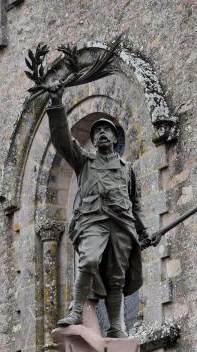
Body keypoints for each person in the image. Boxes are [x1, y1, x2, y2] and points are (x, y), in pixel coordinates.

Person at [46, 82, 156, 338]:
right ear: (93, 140)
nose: (102, 134)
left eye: (107, 130)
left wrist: (145, 232)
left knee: (116, 279)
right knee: (89, 260)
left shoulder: (126, 170)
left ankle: (117, 328)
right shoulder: (84, 161)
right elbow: (62, 140)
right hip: (93, 222)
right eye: (97, 132)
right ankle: (76, 313)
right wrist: (56, 104)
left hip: (121, 226)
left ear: (115, 138)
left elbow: (134, 205)